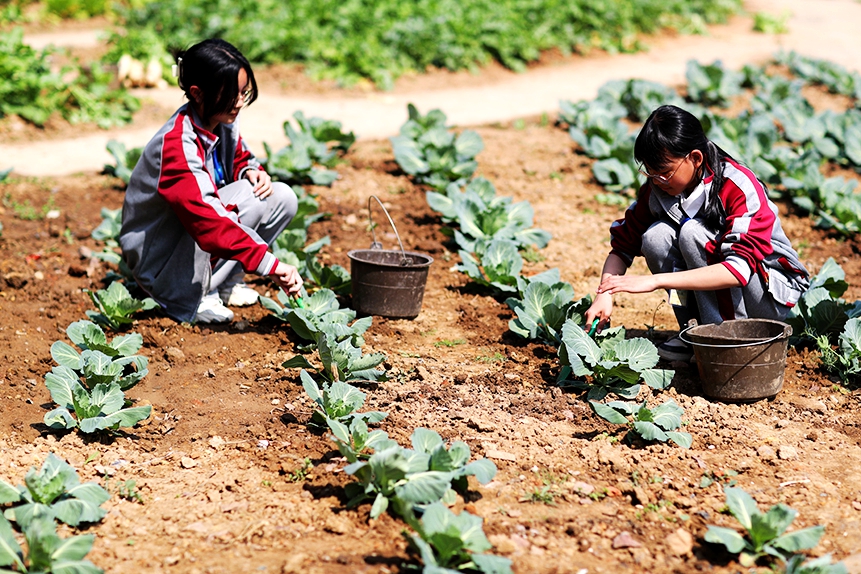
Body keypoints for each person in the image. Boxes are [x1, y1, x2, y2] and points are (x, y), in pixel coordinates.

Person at [584, 104, 809, 362]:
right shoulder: (658, 189)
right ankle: (693, 332)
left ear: (695, 158)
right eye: (650, 172)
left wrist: (656, 281)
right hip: (727, 289)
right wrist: (605, 293)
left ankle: (728, 341)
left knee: (692, 233)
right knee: (656, 238)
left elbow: (737, 271)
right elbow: (623, 247)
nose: (657, 181)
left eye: (665, 173)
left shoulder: (738, 186)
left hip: (769, 295)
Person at [120, 39, 302, 324]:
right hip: (160, 262)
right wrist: (271, 265)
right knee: (237, 202)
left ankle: (223, 283)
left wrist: (250, 171)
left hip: (191, 244)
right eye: (232, 94)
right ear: (197, 93)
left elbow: (240, 156)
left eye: (243, 92)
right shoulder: (177, 145)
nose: (240, 102)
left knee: (278, 196)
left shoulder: (218, 121)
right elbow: (206, 220)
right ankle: (190, 295)